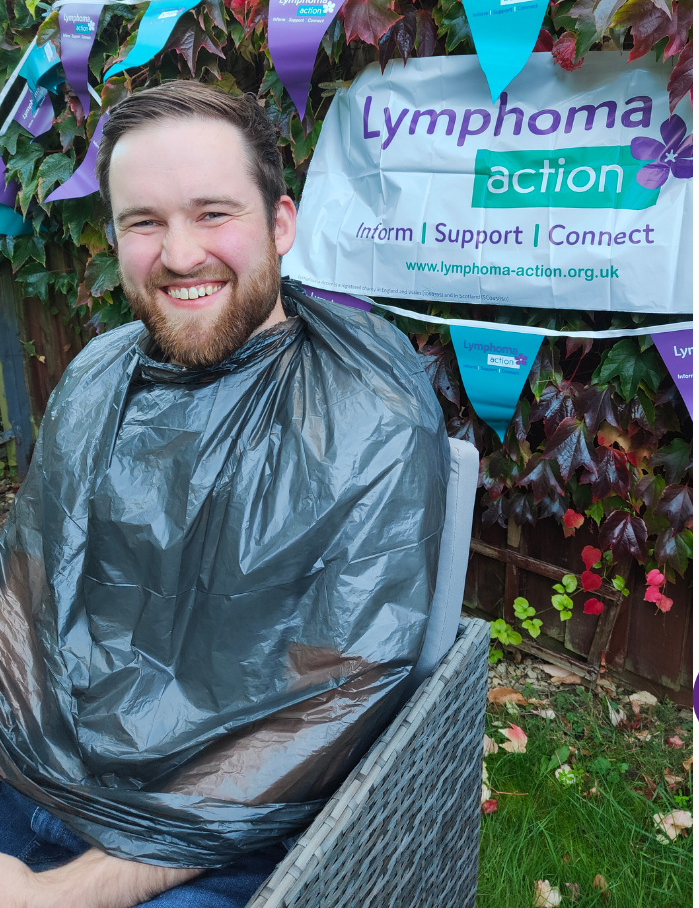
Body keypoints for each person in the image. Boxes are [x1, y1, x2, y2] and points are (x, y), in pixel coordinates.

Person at [0, 81, 448, 908]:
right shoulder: (99, 373)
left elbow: (328, 702)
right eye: (145, 222)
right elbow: (27, 587)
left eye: (213, 213)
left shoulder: (360, 411)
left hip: (227, 839)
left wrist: (67, 893)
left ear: (279, 224)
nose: (178, 255)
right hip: (35, 773)